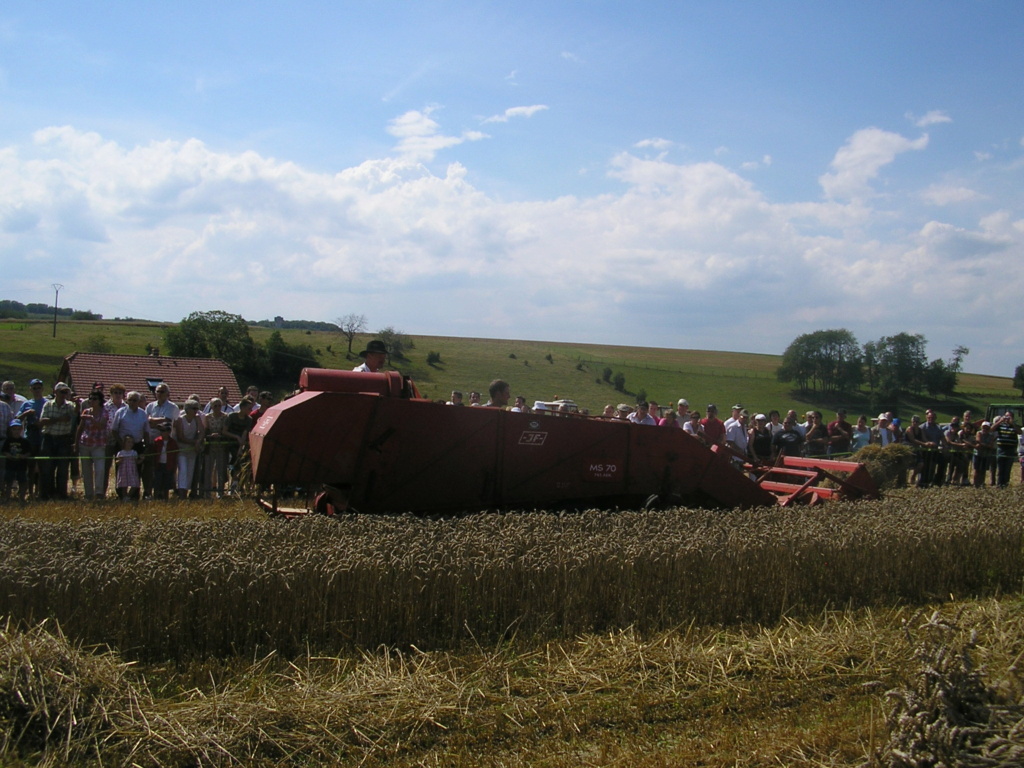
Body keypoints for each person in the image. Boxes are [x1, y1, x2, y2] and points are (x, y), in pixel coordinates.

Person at [39, 383, 76, 500]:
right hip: (48, 438)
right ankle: (46, 494)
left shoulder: (70, 405)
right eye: (62, 392)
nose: (64, 394)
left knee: (63, 468)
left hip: (64, 439)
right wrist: (59, 419)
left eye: (66, 392)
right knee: (46, 468)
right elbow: (42, 421)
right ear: (55, 392)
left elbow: (76, 413)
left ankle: (61, 494)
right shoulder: (48, 404)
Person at [145, 384, 180, 499]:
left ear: (167, 394)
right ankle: (151, 494)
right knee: (152, 469)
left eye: (162, 391)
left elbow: (168, 422)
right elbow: (147, 422)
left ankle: (166, 495)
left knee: (167, 469)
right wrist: (159, 421)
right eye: (158, 391)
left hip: (167, 443)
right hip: (152, 442)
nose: (160, 394)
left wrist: (153, 421)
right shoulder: (150, 406)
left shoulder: (172, 407)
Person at [74, 390, 110, 500]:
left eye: (94, 399)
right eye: (90, 398)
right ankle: (88, 494)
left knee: (99, 470)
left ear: (100, 401)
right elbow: (80, 428)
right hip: (85, 444)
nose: (92, 401)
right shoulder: (86, 411)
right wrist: (76, 444)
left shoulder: (104, 412)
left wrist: (92, 419)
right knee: (86, 470)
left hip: (99, 445)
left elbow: (101, 426)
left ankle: (99, 493)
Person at [173, 400, 205, 499]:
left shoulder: (197, 419)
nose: (196, 411)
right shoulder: (180, 420)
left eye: (197, 408)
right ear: (187, 409)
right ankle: (181, 494)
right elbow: (180, 437)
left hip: (192, 451)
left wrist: (198, 441)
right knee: (183, 470)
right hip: (182, 449)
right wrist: (194, 442)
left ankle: (186, 492)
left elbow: (202, 431)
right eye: (194, 408)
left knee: (190, 472)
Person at [204, 398, 230, 497]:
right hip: (210, 446)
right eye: (215, 406)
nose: (218, 408)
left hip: (221, 446)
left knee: (221, 469)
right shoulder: (207, 417)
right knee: (208, 469)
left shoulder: (225, 416)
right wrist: (210, 435)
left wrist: (219, 434)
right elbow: (205, 431)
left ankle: (220, 492)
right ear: (211, 407)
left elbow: (225, 430)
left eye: (219, 405)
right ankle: (207, 491)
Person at [2, 420, 31, 502]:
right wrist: (8, 455)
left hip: (21, 466)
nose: (16, 431)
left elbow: (28, 452)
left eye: (18, 429)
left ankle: (22, 498)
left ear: (21, 429)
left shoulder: (25, 441)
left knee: (23, 482)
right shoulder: (8, 441)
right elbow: (4, 451)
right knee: (8, 483)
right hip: (10, 465)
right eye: (14, 429)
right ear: (11, 430)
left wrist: (23, 456)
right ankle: (7, 498)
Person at [992, 411, 1022, 488]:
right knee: (1000, 468)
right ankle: (999, 484)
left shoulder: (1014, 426)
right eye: (1006, 416)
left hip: (1010, 450)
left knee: (1007, 469)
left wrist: (1012, 424)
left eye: (1009, 416)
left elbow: (1020, 432)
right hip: (1001, 449)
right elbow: (991, 429)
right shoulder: (1000, 425)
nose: (1007, 418)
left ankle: (1005, 484)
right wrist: (999, 421)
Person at [114, 434, 142, 501]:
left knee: (135, 484)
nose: (130, 444)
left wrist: (142, 459)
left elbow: (137, 462)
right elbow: (116, 462)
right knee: (124, 485)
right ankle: (124, 497)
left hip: (132, 471)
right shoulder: (120, 453)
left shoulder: (134, 453)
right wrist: (120, 460)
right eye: (128, 442)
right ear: (124, 443)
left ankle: (129, 496)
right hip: (123, 471)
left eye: (131, 442)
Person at [973, 421, 997, 487]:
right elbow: (978, 441)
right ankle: (975, 483)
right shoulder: (979, 433)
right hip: (978, 454)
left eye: (987, 428)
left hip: (986, 454)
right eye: (984, 428)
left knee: (983, 470)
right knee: (977, 470)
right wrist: (987, 446)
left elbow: (991, 445)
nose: (985, 429)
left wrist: (982, 445)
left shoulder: (991, 436)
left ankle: (981, 483)